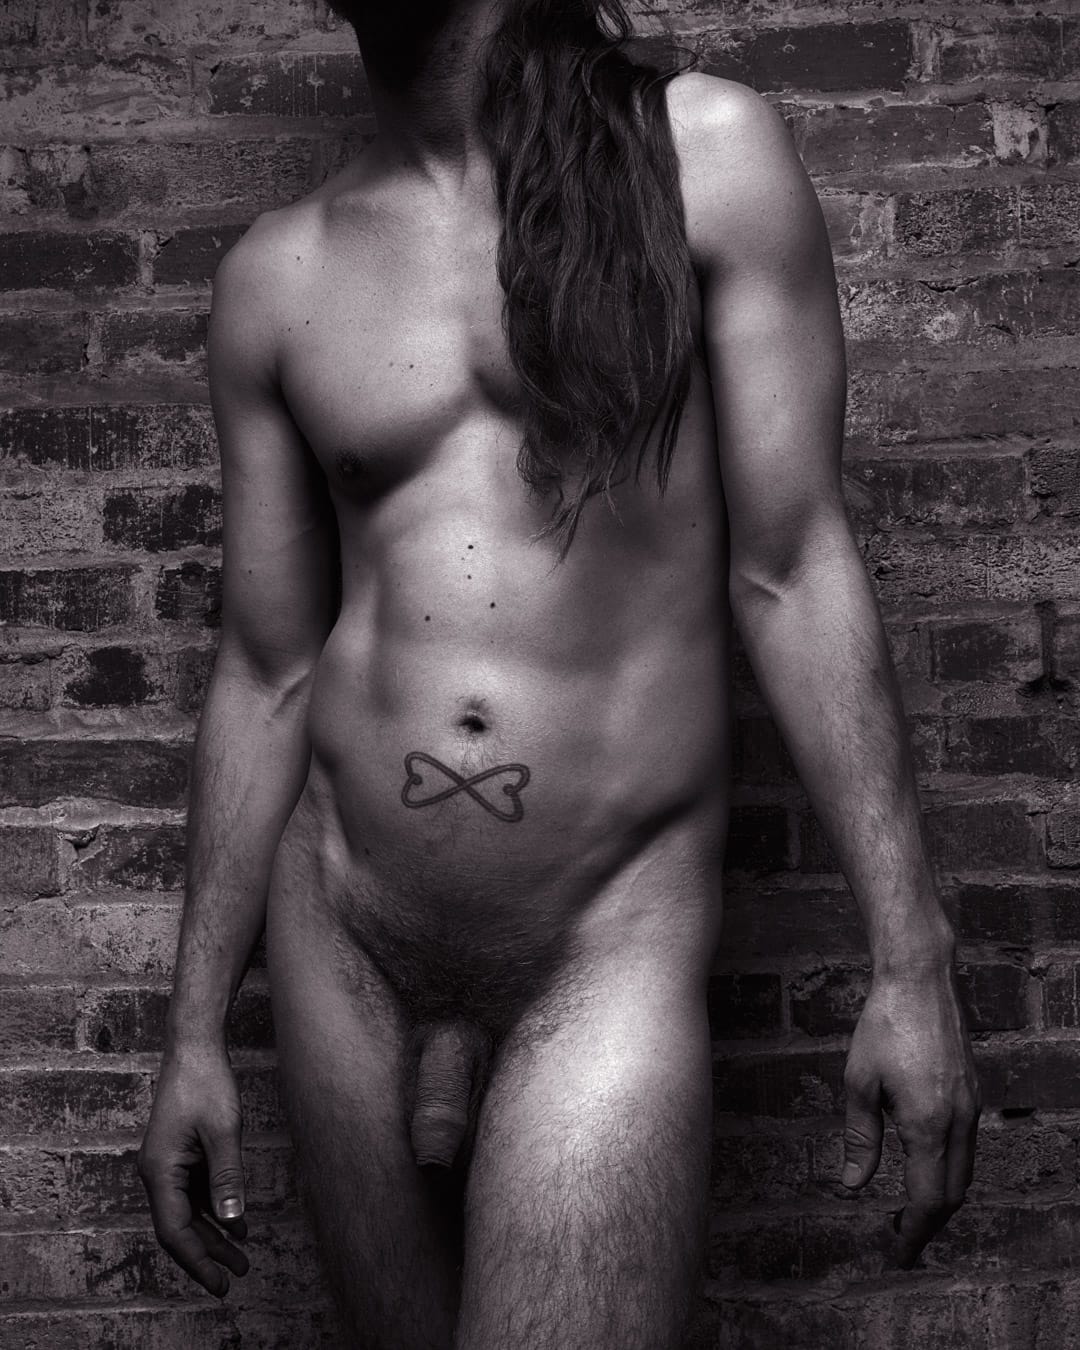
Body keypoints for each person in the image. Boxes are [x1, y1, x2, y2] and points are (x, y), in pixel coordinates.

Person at [137, 1, 981, 1345]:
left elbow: (793, 566)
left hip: (604, 941)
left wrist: (910, 952)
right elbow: (266, 665)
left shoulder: (703, 159)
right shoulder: (278, 272)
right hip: (343, 933)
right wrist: (192, 1032)